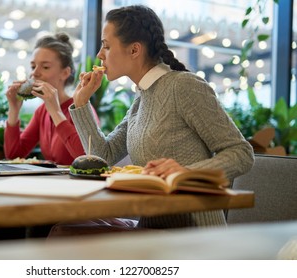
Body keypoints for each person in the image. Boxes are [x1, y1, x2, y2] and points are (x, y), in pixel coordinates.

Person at [52, 4, 254, 234]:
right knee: (63, 228)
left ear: (135, 50)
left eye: (106, 46)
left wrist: (186, 173)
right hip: (152, 226)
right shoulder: (141, 99)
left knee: (65, 234)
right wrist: (81, 103)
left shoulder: (184, 86)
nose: (99, 55)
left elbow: (241, 154)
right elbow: (103, 157)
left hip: (192, 230)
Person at [4, 32, 99, 165]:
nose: (34, 73)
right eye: (33, 66)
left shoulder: (80, 109)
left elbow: (88, 157)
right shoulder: (41, 111)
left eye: (45, 67)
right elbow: (14, 154)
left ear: (65, 73)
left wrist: (56, 112)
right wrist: (13, 111)